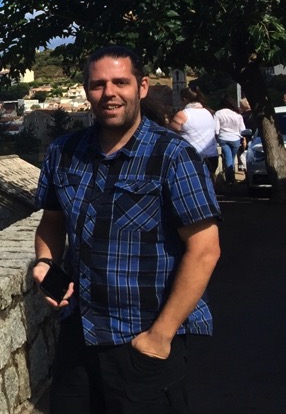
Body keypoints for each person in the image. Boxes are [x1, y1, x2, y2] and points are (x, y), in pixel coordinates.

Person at [33, 45, 221, 413]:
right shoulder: (63, 152)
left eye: (121, 82)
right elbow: (51, 224)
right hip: (79, 337)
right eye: (98, 84)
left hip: (143, 340)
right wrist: (44, 264)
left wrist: (160, 337)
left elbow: (205, 249)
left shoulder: (173, 156)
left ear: (142, 87)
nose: (110, 93)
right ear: (87, 90)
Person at [168, 87, 218, 178]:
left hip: (192, 158)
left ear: (184, 99)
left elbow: (170, 133)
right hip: (212, 156)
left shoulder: (182, 115)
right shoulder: (209, 112)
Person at [213, 98, 246, 187]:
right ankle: (231, 178)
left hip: (223, 138)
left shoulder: (218, 113)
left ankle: (229, 179)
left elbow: (216, 129)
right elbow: (242, 129)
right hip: (235, 139)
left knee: (228, 158)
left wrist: (216, 137)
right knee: (232, 157)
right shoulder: (237, 114)